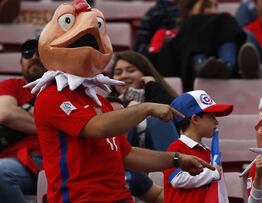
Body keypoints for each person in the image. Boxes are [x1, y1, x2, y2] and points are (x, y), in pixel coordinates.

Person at [28, 1, 215, 202]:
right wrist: (145, 108)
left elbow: (127, 155)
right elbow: (96, 128)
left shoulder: (101, 102)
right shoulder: (51, 95)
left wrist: (177, 159)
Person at [108, 51, 180, 203]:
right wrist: (127, 105)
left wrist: (152, 86)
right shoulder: (108, 103)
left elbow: (175, 114)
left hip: (161, 162)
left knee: (160, 119)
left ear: (145, 73)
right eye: (118, 72)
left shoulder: (158, 94)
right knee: (122, 116)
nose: (123, 76)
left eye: (131, 70)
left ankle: (176, 175)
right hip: (129, 167)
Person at [158, 0, 247, 91]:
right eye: (206, 6)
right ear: (190, 10)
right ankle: (200, 64)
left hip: (230, 75)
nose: (213, 11)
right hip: (187, 76)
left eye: (215, 6)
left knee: (227, 21)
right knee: (196, 22)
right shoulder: (171, 35)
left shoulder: (223, 23)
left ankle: (226, 66)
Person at [163, 90, 233, 203]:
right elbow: (177, 179)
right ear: (195, 119)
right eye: (211, 116)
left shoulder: (208, 152)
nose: (216, 122)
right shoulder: (175, 148)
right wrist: (212, 173)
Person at [0, 37, 46, 202]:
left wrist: (20, 115)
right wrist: (48, 126)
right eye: (28, 54)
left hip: (45, 159)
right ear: (21, 64)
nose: (34, 57)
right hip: (10, 158)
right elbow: (6, 114)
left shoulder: (61, 88)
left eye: (40, 53)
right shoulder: (11, 85)